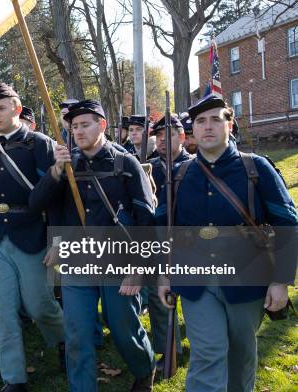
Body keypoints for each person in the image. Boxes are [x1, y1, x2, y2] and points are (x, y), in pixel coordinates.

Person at [157, 95, 298, 392]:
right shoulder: (178, 175)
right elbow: (162, 230)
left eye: (215, 119)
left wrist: (281, 281)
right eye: (200, 121)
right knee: (207, 355)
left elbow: (287, 224)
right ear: (192, 130)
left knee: (241, 356)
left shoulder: (256, 168)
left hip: (247, 279)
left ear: (229, 125)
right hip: (195, 283)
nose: (207, 127)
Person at [30, 99, 156, 392]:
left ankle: (143, 368)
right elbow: (39, 204)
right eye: (74, 126)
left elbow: (146, 220)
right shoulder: (66, 164)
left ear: (102, 125)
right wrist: (56, 172)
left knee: (123, 327)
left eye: (85, 124)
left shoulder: (126, 164)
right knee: (76, 334)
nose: (78, 131)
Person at [0, 84, 65, 392]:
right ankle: (14, 378)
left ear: (17, 108)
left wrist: (59, 240)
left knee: (39, 305)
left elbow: (57, 199)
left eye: (1, 108)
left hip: (33, 233)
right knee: (3, 311)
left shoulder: (39, 144)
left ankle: (65, 340)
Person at [145, 115, 191, 370]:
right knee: (160, 298)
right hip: (157, 240)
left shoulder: (195, 165)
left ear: (182, 137)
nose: (162, 141)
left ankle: (202, 342)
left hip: (188, 242)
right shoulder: (148, 166)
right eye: (159, 136)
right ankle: (169, 350)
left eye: (168, 135)